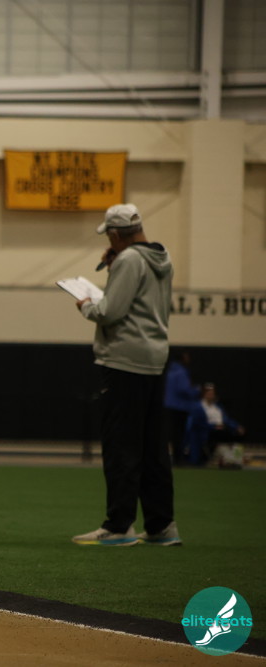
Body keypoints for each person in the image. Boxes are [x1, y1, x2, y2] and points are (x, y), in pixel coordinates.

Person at [70, 203, 181, 547]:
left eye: (110, 236)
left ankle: (119, 526)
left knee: (121, 446)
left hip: (124, 361)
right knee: (153, 446)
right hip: (154, 358)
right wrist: (114, 266)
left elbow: (110, 311)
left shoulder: (129, 260)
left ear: (116, 235)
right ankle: (161, 525)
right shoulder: (162, 256)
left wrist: (86, 305)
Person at [184, 383, 245, 467]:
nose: (211, 395)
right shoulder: (197, 407)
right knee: (220, 433)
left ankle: (234, 459)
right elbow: (198, 423)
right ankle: (223, 459)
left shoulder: (218, 407)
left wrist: (236, 426)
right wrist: (213, 426)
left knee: (237, 433)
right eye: (209, 393)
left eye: (212, 393)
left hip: (222, 429)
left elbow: (226, 419)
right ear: (204, 394)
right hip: (208, 431)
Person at [163, 350, 201, 465]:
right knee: (178, 435)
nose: (189, 359)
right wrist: (196, 390)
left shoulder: (170, 371)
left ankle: (171, 458)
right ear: (183, 358)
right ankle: (178, 459)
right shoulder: (181, 372)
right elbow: (184, 389)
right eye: (187, 357)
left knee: (171, 434)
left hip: (169, 407)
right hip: (179, 408)